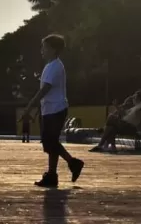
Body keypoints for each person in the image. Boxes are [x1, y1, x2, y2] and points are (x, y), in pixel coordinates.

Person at [21, 34, 85, 187]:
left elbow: (45, 90)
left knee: (50, 142)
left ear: (54, 49)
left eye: (45, 47)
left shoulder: (55, 66)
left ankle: (72, 163)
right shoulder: (50, 66)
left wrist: (29, 107)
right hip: (49, 109)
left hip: (56, 109)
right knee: (51, 143)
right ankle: (52, 175)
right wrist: (38, 110)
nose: (42, 50)